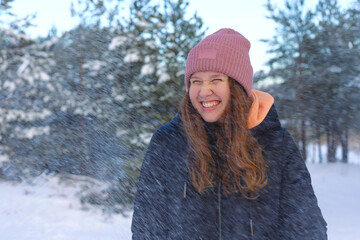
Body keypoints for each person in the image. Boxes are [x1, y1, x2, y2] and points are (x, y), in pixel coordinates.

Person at [131, 28, 327, 239]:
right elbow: (147, 229)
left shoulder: (275, 144)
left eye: (216, 80)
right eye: (196, 81)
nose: (204, 91)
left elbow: (306, 229)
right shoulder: (168, 142)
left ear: (237, 87)